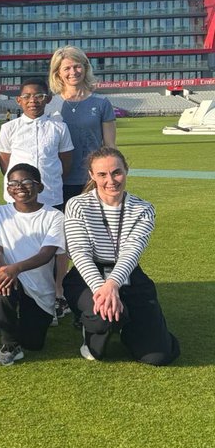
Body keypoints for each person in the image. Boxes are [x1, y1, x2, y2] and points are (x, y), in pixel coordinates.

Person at [62, 146, 180, 366]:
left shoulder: (143, 209)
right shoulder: (78, 205)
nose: (111, 180)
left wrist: (113, 285)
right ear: (91, 176)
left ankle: (128, 324)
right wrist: (101, 288)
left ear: (126, 170)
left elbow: (131, 251)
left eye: (116, 172)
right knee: (102, 320)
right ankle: (92, 328)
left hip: (127, 274)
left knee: (157, 357)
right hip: (88, 276)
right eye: (102, 174)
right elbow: (79, 252)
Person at [0, 76, 74, 316]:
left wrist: (47, 183)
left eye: (39, 96)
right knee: (22, 245)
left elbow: (65, 162)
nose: (33, 101)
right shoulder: (9, 128)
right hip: (18, 198)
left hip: (51, 194)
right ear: (19, 100)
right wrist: (21, 187)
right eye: (27, 96)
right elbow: (5, 163)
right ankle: (23, 292)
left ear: (48, 99)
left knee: (57, 248)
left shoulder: (59, 127)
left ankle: (58, 293)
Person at [0, 164, 67, 366]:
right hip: (8, 279)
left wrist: (16, 268)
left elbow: (47, 254)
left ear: (40, 187)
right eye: (13, 183)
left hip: (39, 287)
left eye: (27, 182)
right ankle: (9, 345)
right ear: (8, 188)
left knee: (34, 343)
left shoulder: (54, 216)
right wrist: (5, 270)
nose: (20, 187)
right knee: (4, 287)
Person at [47, 45, 117, 205]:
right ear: (58, 73)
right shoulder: (50, 105)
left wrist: (107, 175)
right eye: (67, 68)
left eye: (77, 66)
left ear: (85, 68)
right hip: (58, 180)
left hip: (91, 179)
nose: (73, 72)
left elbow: (110, 146)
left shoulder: (102, 103)